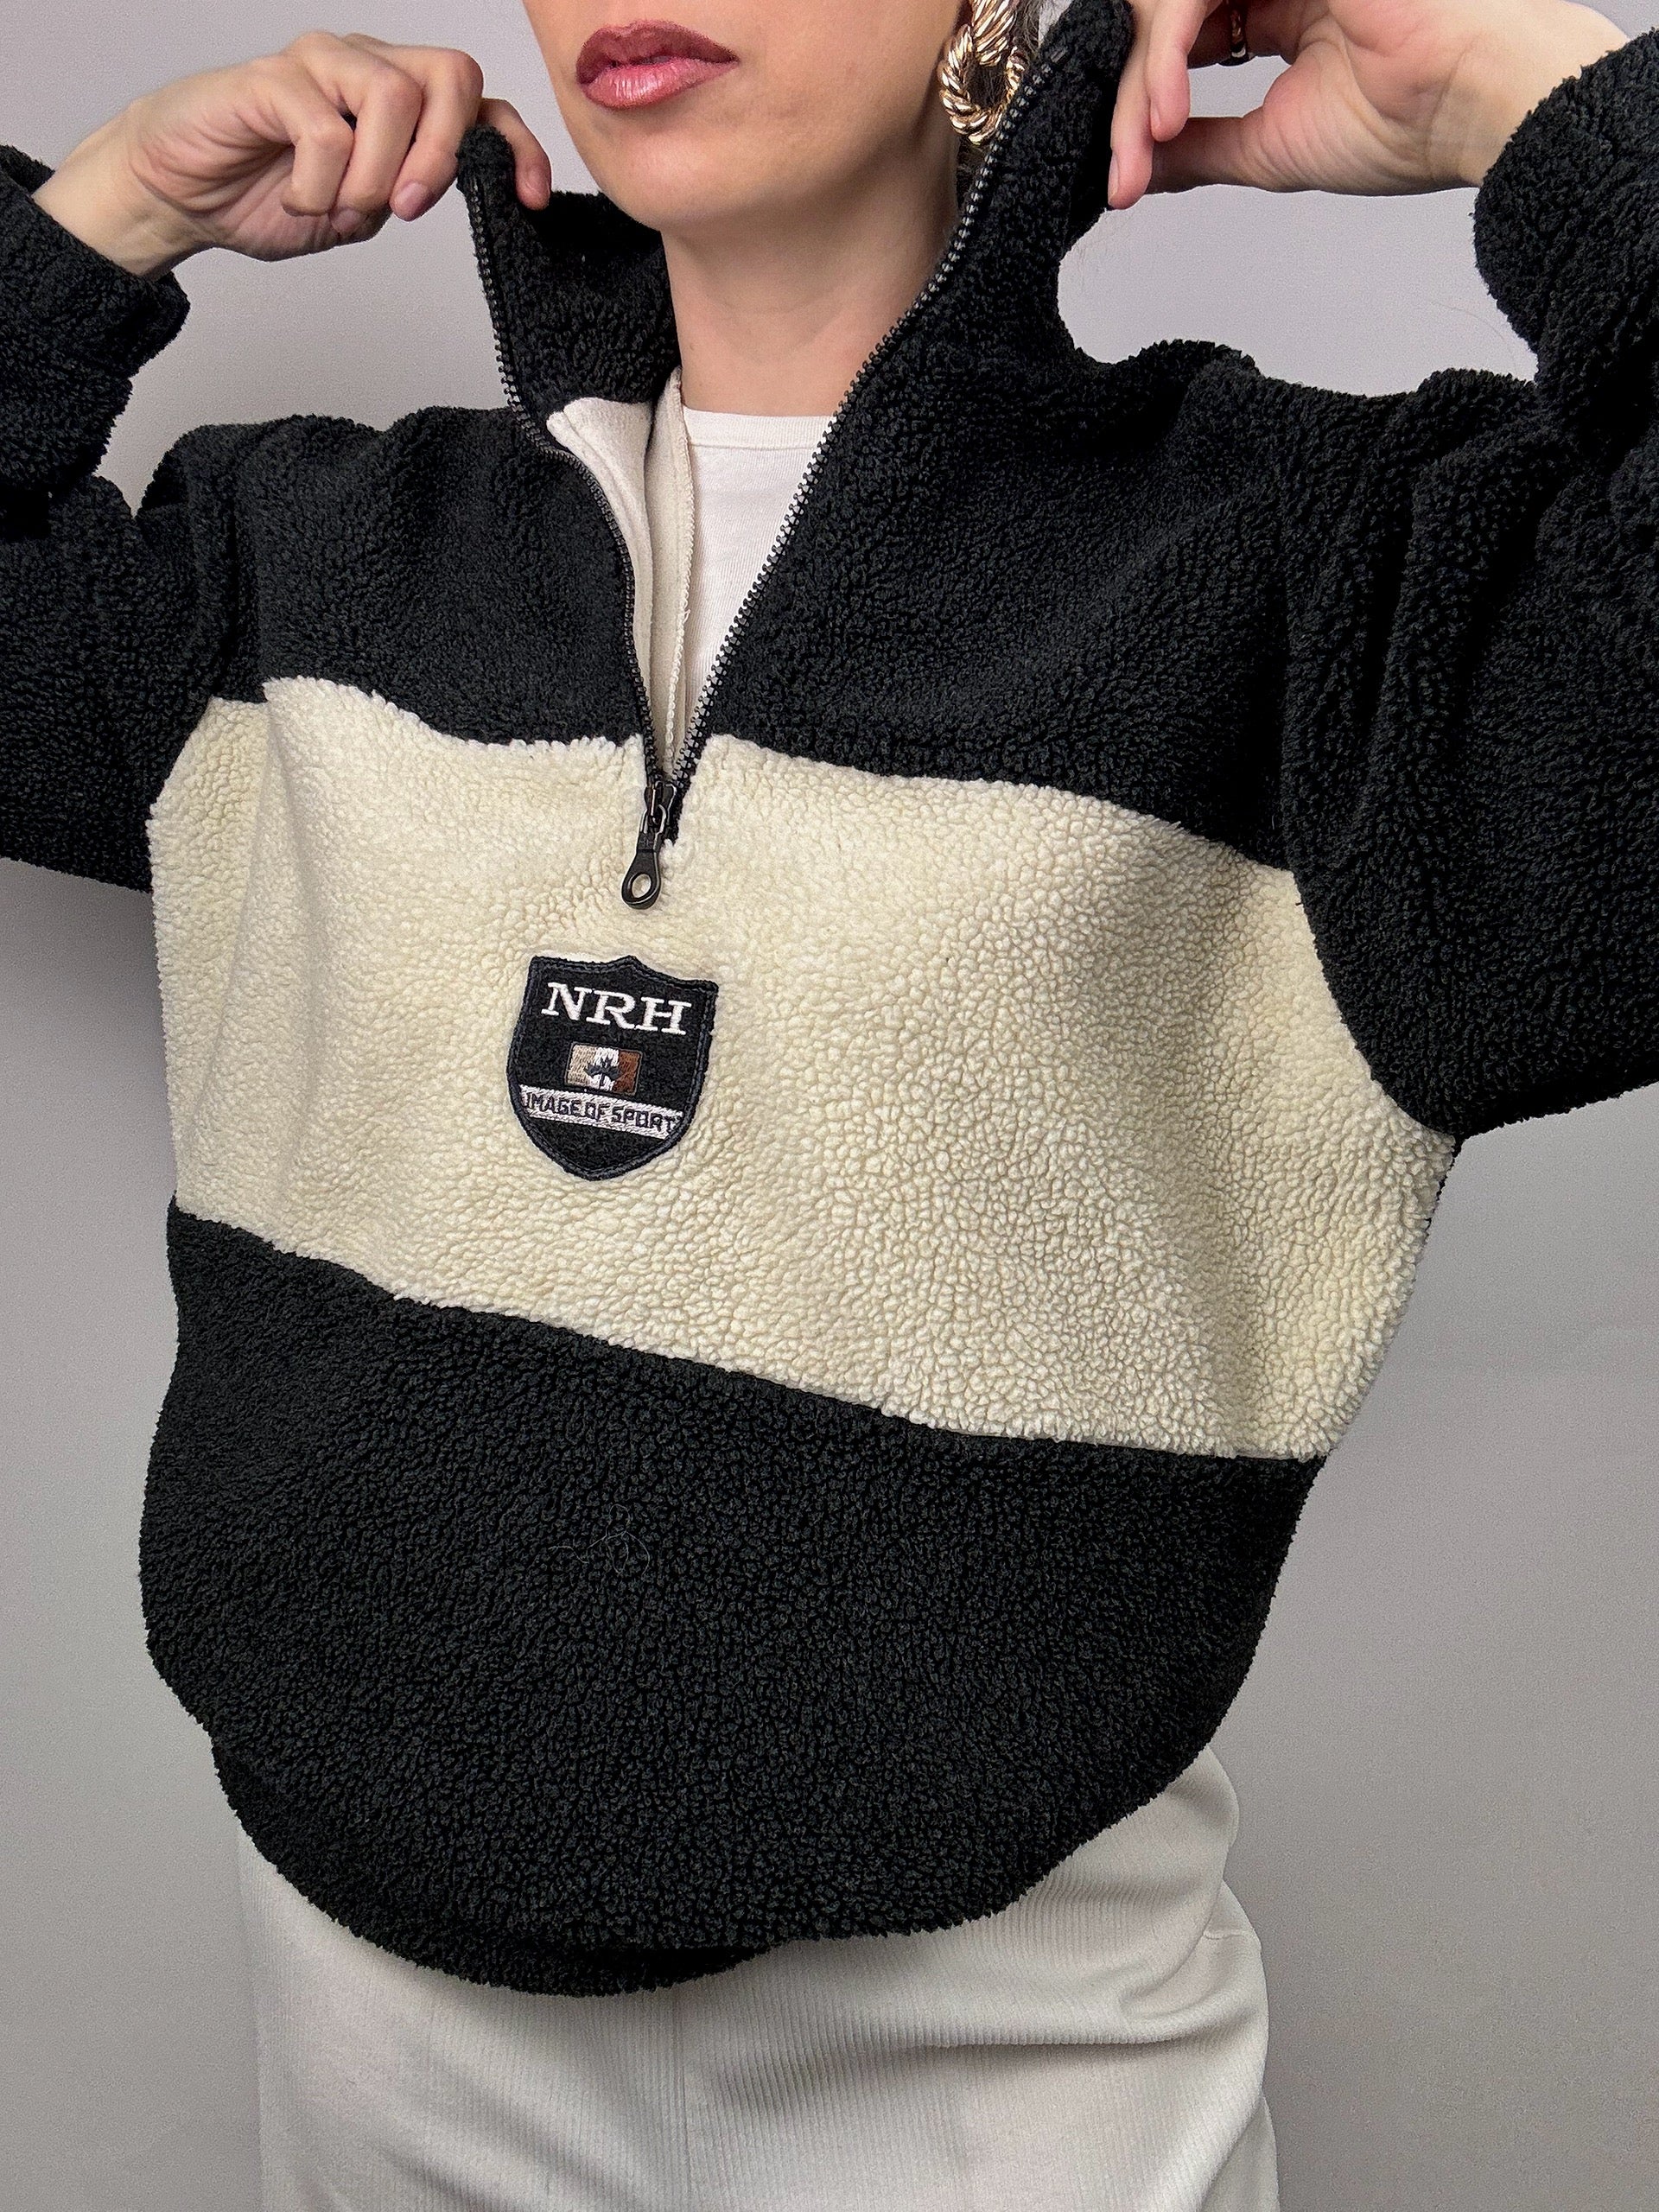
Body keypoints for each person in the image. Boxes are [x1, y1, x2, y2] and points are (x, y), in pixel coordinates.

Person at [3, 0, 1654, 2204]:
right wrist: (100, 221)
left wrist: (1520, 93)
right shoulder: (300, 555)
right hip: (371, 2000)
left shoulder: (1320, 578)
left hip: (1001, 2043)